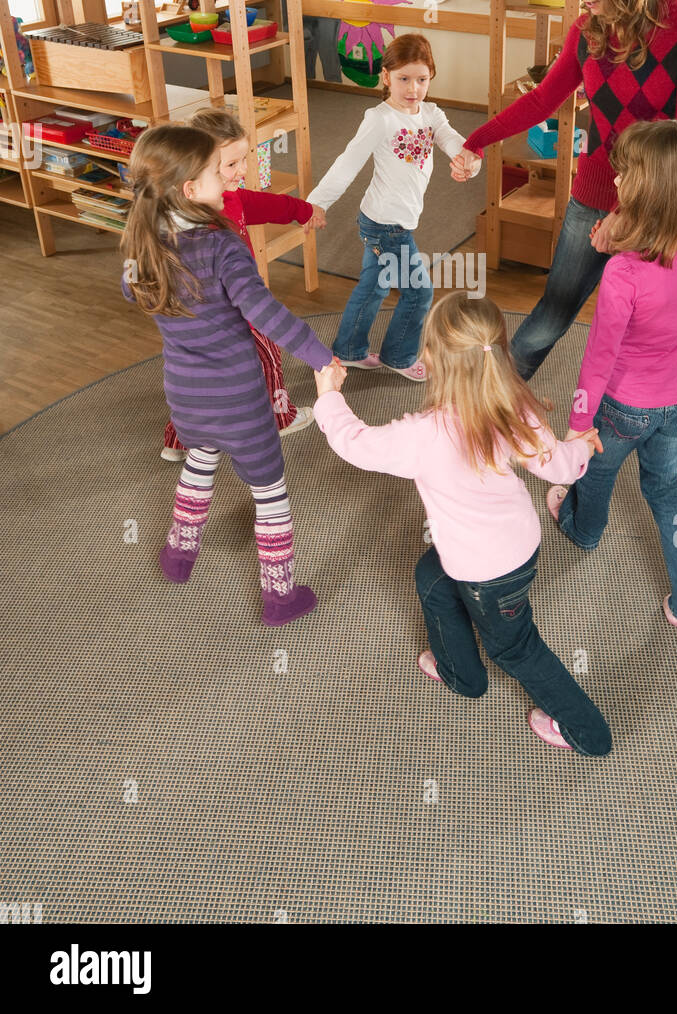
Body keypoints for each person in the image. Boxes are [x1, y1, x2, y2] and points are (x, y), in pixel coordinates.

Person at [313, 292, 612, 756]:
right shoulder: (514, 405)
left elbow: (356, 443)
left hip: (484, 573)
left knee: (516, 650)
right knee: (430, 578)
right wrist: (582, 451)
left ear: (433, 361)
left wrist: (329, 395)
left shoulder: (422, 433)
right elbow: (556, 465)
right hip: (519, 544)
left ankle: (585, 732)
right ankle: (461, 672)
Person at [450, 0, 677, 380]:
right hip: (593, 194)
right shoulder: (587, 29)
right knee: (552, 314)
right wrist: (476, 142)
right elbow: (540, 101)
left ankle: (618, 422)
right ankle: (494, 404)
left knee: (639, 335)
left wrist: (628, 212)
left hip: (659, 210)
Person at [121, 124, 336, 626]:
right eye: (219, 173)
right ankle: (279, 597)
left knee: (199, 461)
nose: (228, 180)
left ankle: (179, 555)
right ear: (191, 190)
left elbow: (132, 293)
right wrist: (320, 356)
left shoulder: (142, 243)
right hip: (238, 397)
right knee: (270, 493)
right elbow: (264, 311)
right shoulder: (221, 246)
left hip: (185, 395)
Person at [547, 119, 677, 637]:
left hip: (626, 406)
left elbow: (599, 356)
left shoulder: (623, 274)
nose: (617, 183)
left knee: (595, 475)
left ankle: (582, 531)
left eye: (626, 176)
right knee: (667, 489)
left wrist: (580, 423)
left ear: (650, 191)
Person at [306, 34, 479, 382]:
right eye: (403, 79)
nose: (413, 88)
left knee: (374, 287)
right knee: (419, 293)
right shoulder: (380, 119)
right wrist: (315, 203)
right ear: (386, 77)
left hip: (387, 220)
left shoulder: (431, 114)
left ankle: (348, 351)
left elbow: (453, 141)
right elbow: (347, 163)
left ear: (430, 78)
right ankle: (399, 357)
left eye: (421, 79)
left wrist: (468, 160)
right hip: (386, 225)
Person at [160, 107, 326, 461]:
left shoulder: (225, 199)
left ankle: (178, 440)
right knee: (268, 357)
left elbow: (267, 204)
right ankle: (281, 416)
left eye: (244, 159)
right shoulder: (197, 217)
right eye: (231, 165)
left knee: (198, 378)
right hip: (241, 308)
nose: (242, 171)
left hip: (198, 320)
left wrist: (303, 210)